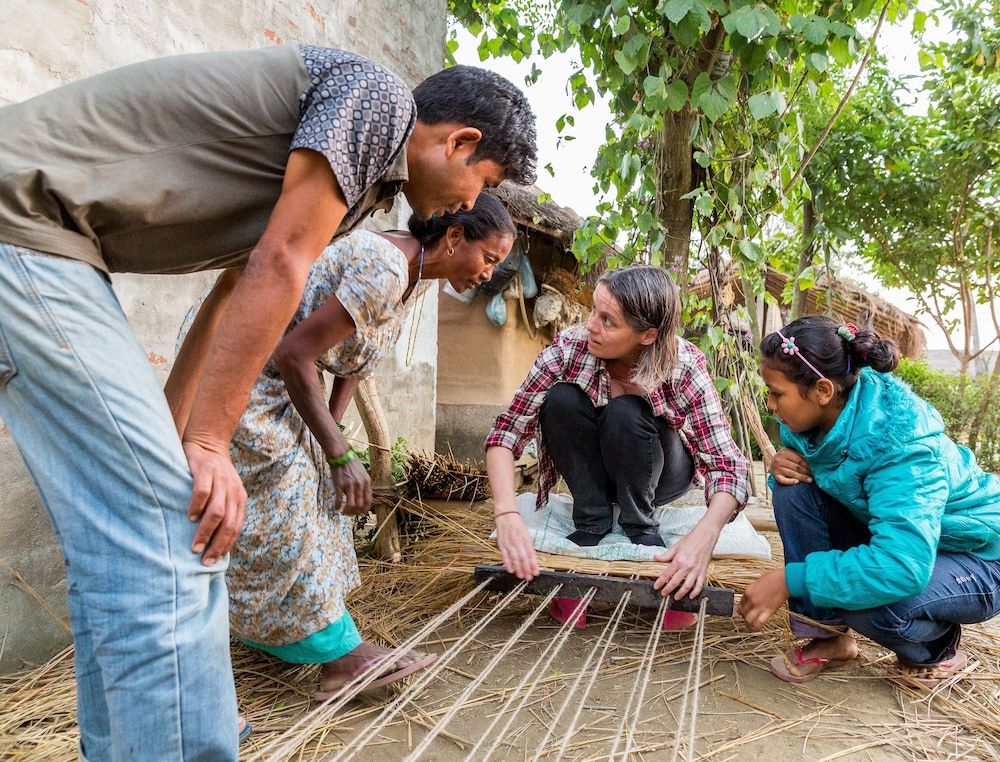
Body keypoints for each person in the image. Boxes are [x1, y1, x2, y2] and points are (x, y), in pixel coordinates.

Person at [0, 44, 536, 760]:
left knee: (139, 538)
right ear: (460, 142)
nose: (469, 205)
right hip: (26, 232)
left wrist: (184, 432)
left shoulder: (355, 191)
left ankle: (176, 723)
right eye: (482, 183)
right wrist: (210, 442)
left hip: (39, 241)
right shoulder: (379, 103)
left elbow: (232, 291)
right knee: (174, 534)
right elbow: (276, 268)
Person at [172, 193, 516, 699]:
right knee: (285, 500)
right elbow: (294, 353)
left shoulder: (414, 278)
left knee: (318, 494)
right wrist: (338, 453)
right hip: (239, 363)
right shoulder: (385, 268)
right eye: (488, 258)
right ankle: (341, 656)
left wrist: (328, 443)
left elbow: (354, 362)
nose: (488, 274)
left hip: (281, 377)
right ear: (454, 236)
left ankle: (296, 636)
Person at [738, 316, 1000, 687]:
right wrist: (783, 466)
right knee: (793, 490)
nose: (770, 405)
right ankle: (828, 637)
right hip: (914, 542)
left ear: (822, 390)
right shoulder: (823, 416)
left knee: (871, 597)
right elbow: (823, 483)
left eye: (777, 394)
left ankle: (936, 648)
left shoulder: (901, 444)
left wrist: (792, 578)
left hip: (977, 555)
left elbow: (901, 566)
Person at [484, 264, 750, 627]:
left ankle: (640, 526)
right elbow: (506, 432)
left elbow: (728, 466)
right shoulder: (570, 348)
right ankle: (591, 521)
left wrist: (704, 536)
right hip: (595, 470)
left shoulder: (683, 366)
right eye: (594, 311)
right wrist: (506, 513)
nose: (591, 325)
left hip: (660, 473)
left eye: (607, 321)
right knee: (560, 400)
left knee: (625, 412)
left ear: (647, 335)